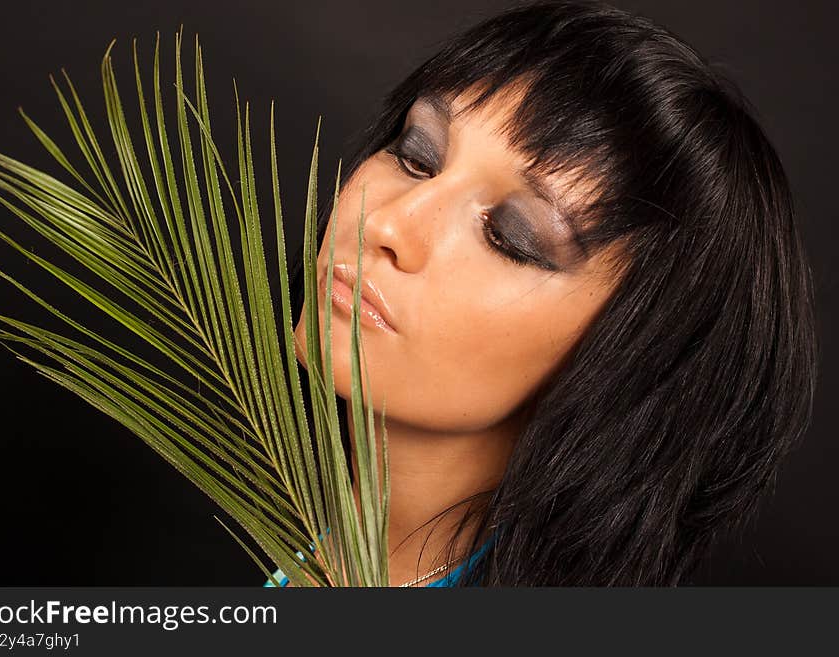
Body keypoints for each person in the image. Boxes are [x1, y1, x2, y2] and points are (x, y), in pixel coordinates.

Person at [270, 0, 818, 586]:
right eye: (416, 157)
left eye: (510, 238)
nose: (387, 226)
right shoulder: (329, 544)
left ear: (630, 359)